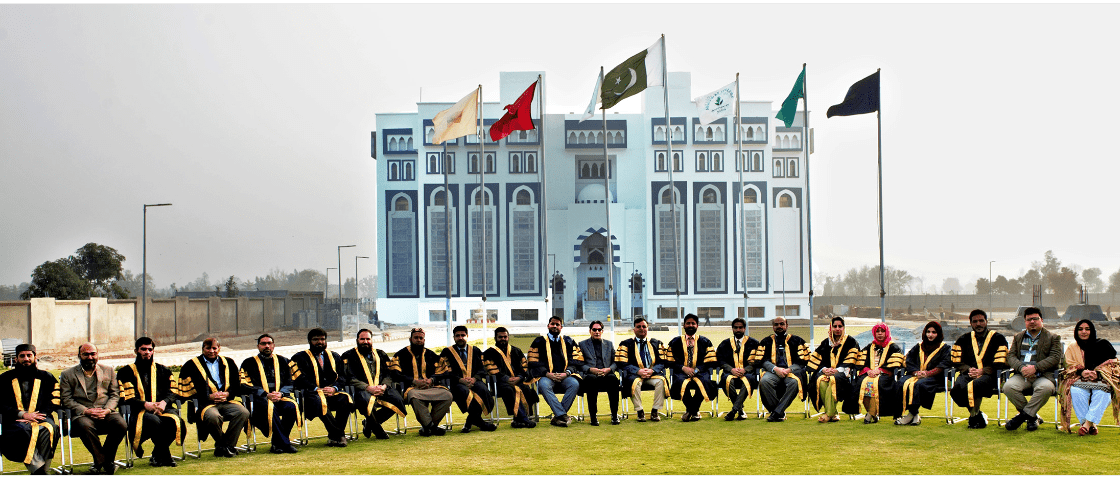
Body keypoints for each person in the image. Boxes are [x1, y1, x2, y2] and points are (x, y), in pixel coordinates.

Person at [116, 337, 186, 467]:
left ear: (153, 351)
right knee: (154, 421)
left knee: (176, 422)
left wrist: (164, 402)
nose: (147, 352)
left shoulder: (163, 370)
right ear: (136, 351)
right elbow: (126, 397)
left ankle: (157, 454)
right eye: (143, 349)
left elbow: (173, 392)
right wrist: (145, 404)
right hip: (136, 411)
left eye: (150, 349)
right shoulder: (125, 372)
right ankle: (165, 455)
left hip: (162, 409)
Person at [59, 343, 127, 474]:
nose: (90, 357)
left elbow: (115, 394)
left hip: (105, 411)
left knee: (121, 424)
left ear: (97, 355)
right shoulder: (67, 374)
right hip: (82, 414)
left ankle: (100, 461)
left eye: (93, 354)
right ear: (79, 355)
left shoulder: (109, 370)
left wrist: (107, 410)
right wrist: (86, 411)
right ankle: (106, 463)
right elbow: (66, 399)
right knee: (85, 426)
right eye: (85, 354)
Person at [177, 337, 250, 458]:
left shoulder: (228, 362)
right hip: (204, 404)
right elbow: (186, 392)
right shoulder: (191, 365)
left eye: (214, 348)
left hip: (226, 401)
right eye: (208, 348)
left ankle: (225, 446)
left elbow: (237, 385)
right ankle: (226, 447)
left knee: (243, 412)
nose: (211, 351)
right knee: (213, 416)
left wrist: (227, 394)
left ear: (219, 348)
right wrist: (208, 396)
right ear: (203, 349)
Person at [0, 344, 60, 475]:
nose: (26, 359)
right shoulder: (4, 379)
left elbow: (55, 399)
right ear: (16, 359)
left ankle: (41, 471)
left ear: (35, 357)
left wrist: (38, 415)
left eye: (29, 355)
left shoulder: (47, 377)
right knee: (22, 432)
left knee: (51, 429)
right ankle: (40, 472)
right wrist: (22, 414)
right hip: (14, 420)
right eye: (22, 356)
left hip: (41, 418)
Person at [291, 328, 356, 446]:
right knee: (320, 402)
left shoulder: (334, 356)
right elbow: (299, 379)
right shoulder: (299, 357)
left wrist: (334, 388)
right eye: (316, 339)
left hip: (332, 393)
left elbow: (342, 376)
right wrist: (317, 389)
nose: (320, 342)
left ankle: (334, 437)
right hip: (310, 395)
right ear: (309, 341)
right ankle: (339, 435)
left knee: (345, 399)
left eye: (322, 339)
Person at [1002, 307, 1062, 431]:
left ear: (1041, 320)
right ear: (1025, 322)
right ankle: (1032, 417)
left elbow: (1055, 358)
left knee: (1045, 388)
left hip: (1043, 375)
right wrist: (1021, 368)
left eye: (1035, 319)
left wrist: (1035, 368)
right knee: (1008, 387)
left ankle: (1021, 417)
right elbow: (1011, 356)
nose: (1032, 322)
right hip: (1022, 375)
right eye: (1029, 319)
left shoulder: (1053, 337)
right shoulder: (1018, 337)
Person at [1057, 319, 1120, 435]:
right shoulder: (1072, 347)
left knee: (1102, 393)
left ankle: (1085, 425)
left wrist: (1099, 373)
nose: (1084, 332)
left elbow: (1113, 365)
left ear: (1092, 331)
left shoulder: (1103, 344)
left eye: (1087, 329)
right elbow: (1068, 367)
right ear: (1076, 332)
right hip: (1079, 380)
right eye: (1080, 329)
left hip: (1102, 380)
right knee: (1075, 391)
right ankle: (1091, 425)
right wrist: (1081, 372)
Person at [239, 334, 300, 454]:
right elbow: (245, 384)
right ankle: (284, 444)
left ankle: (277, 443)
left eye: (269, 343)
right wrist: (265, 394)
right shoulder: (248, 363)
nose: (266, 346)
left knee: (292, 407)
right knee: (270, 408)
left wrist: (281, 393)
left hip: (281, 397)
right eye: (263, 344)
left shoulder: (284, 361)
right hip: (259, 399)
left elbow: (292, 381)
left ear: (273, 345)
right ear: (258, 346)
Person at [341, 329, 406, 440]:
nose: (365, 341)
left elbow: (389, 374)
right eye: (362, 339)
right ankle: (378, 431)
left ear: (372, 340)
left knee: (398, 400)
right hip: (361, 390)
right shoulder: (348, 356)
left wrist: (384, 386)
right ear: (357, 340)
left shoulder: (381, 354)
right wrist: (367, 387)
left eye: (368, 339)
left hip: (382, 388)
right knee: (365, 401)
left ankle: (369, 423)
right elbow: (349, 377)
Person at [949, 309, 1009, 429]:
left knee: (975, 385)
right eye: (975, 321)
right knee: (956, 389)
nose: (978, 324)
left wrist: (983, 371)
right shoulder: (963, 339)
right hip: (968, 373)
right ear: (970, 323)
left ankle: (973, 417)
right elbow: (955, 361)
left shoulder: (998, 338)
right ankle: (978, 415)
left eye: (981, 321)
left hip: (991, 375)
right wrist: (969, 369)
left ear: (986, 321)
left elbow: (1001, 362)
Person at [392, 328, 453, 437]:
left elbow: (443, 371)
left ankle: (427, 427)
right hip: (412, 388)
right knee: (414, 397)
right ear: (410, 339)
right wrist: (413, 381)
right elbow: (395, 373)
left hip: (431, 387)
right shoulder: (400, 354)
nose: (418, 340)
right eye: (416, 338)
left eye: (421, 338)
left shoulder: (431, 354)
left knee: (447, 396)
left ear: (424, 340)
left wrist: (431, 380)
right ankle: (431, 427)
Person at [527, 316, 584, 427]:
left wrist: (567, 373)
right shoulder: (539, 341)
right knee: (543, 385)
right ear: (548, 326)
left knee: (574, 384)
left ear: (561, 327)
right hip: (546, 376)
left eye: (557, 324)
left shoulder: (569, 341)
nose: (555, 326)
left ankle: (558, 416)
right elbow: (533, 361)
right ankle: (562, 415)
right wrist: (547, 373)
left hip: (565, 376)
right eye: (552, 324)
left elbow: (577, 360)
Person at [438, 326, 496, 433]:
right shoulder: (447, 352)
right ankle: (480, 423)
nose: (460, 338)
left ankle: (470, 421)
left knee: (483, 390)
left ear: (467, 336)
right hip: (456, 383)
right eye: (458, 336)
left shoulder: (475, 350)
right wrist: (460, 380)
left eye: (463, 335)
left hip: (475, 381)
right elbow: (445, 371)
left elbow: (482, 369)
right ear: (454, 337)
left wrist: (474, 378)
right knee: (463, 391)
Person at [896, 321, 951, 425]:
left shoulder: (945, 348)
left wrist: (927, 374)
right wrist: (916, 372)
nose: (930, 335)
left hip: (935, 378)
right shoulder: (918, 346)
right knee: (901, 382)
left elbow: (943, 365)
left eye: (934, 332)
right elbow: (909, 360)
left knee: (919, 385)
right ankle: (914, 415)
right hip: (916, 375)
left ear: (939, 333)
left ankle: (911, 415)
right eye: (928, 332)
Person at [847, 322, 904, 424]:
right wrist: (868, 370)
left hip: (885, 375)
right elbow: (861, 362)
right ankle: (872, 413)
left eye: (882, 331)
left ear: (886, 333)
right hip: (868, 374)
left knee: (875, 384)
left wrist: (879, 370)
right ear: (874, 333)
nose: (880, 333)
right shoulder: (869, 347)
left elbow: (895, 364)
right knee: (859, 384)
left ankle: (870, 413)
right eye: (877, 331)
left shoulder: (893, 347)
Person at [806, 317, 860, 423]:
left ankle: (828, 414)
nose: (837, 329)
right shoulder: (826, 342)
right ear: (831, 328)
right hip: (827, 373)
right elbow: (817, 359)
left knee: (832, 380)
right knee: (821, 381)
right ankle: (833, 413)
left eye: (840, 326)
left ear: (844, 327)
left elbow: (852, 360)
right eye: (835, 326)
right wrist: (824, 369)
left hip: (844, 375)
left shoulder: (851, 341)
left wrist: (838, 370)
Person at [755, 316, 809, 422]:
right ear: (773, 327)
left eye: (782, 324)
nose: (779, 326)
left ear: (786, 325)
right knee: (764, 381)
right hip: (772, 372)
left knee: (794, 383)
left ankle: (776, 413)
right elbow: (762, 360)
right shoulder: (766, 341)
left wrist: (788, 370)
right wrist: (775, 369)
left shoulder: (797, 340)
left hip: (792, 372)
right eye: (776, 324)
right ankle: (779, 412)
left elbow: (803, 361)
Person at [615, 317, 668, 422]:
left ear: (647, 328)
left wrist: (652, 370)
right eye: (638, 327)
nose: (641, 329)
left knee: (661, 381)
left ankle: (655, 411)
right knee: (635, 383)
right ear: (634, 329)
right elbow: (622, 363)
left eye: (644, 326)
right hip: (634, 375)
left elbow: (663, 361)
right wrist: (637, 371)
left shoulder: (657, 343)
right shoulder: (625, 344)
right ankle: (640, 411)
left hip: (652, 374)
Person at [667, 314, 718, 422]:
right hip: (681, 372)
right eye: (688, 323)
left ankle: (690, 411)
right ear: (684, 325)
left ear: (697, 326)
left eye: (693, 323)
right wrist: (683, 368)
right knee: (679, 381)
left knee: (704, 382)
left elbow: (710, 361)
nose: (690, 325)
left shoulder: (705, 342)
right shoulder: (675, 342)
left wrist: (696, 370)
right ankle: (695, 411)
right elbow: (670, 361)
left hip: (700, 372)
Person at [483, 327, 538, 428]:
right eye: (500, 337)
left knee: (526, 389)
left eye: (505, 337)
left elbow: (525, 367)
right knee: (509, 390)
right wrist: (506, 379)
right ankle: (524, 419)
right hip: (500, 382)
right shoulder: (488, 353)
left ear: (508, 337)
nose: (503, 339)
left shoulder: (516, 351)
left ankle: (518, 420)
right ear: (495, 338)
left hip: (518, 380)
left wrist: (520, 377)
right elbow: (491, 369)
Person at [578, 321, 621, 425]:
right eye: (594, 330)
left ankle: (614, 415)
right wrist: (590, 369)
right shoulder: (582, 344)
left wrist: (609, 369)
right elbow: (579, 364)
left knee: (613, 379)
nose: (597, 332)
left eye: (599, 330)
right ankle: (593, 417)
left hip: (606, 374)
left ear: (602, 331)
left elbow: (616, 362)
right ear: (590, 331)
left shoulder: (609, 344)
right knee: (591, 380)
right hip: (590, 375)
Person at [715, 318, 759, 421]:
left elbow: (757, 360)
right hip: (729, 373)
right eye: (735, 327)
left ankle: (734, 411)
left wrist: (745, 370)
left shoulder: (754, 343)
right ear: (732, 329)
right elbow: (720, 360)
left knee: (747, 380)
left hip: (748, 374)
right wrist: (731, 369)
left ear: (744, 328)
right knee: (726, 380)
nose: (738, 330)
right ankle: (740, 410)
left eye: (740, 327)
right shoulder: (725, 344)